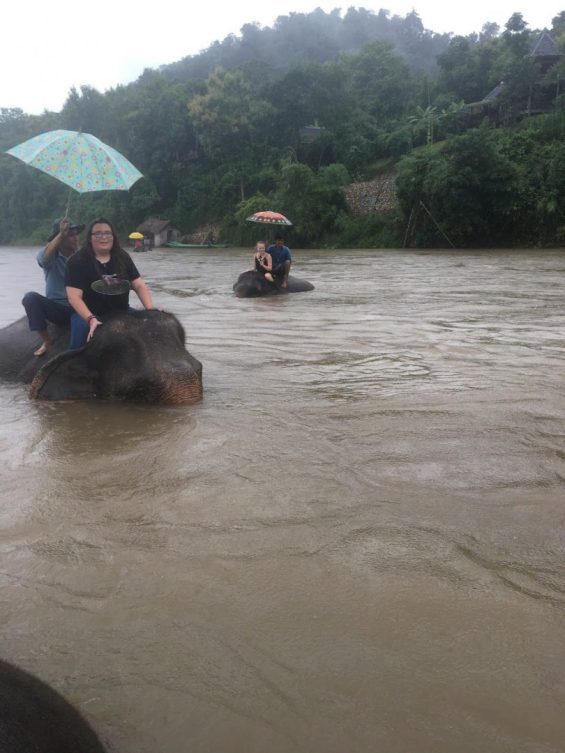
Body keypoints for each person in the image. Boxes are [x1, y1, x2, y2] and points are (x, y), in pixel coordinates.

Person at [65, 217, 155, 349]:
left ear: (113, 237)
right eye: (98, 233)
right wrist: (91, 319)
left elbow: (139, 285)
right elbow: (74, 297)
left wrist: (150, 311)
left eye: (107, 233)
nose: (104, 237)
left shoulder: (122, 257)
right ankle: (69, 367)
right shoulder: (77, 261)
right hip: (89, 314)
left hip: (121, 311)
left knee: (154, 328)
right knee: (77, 346)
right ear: (90, 238)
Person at [21, 217, 84, 356]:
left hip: (78, 308)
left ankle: (72, 355)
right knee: (30, 297)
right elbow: (44, 260)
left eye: (76, 234)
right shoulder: (50, 257)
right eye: (70, 235)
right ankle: (46, 340)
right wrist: (61, 234)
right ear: (59, 239)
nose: (75, 238)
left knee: (78, 343)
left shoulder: (81, 257)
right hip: (57, 308)